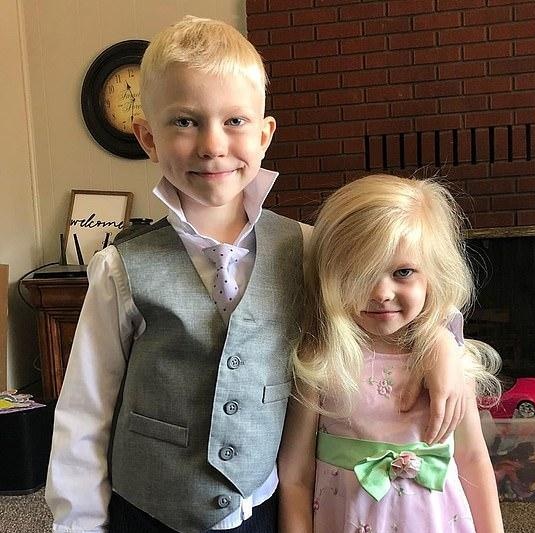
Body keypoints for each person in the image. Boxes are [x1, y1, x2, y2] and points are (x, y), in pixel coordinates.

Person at [44, 17, 468, 533]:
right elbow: (85, 411)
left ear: (264, 135)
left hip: (260, 509)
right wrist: (79, 524)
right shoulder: (119, 267)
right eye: (185, 121)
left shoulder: (306, 247)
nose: (212, 144)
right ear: (148, 138)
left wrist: (442, 345)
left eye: (235, 121)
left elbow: (400, 298)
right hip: (151, 512)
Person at [278, 174, 504, 533]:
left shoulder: (452, 362)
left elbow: (473, 458)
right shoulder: (321, 360)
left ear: (433, 274)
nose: (381, 293)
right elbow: (295, 476)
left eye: (403, 272)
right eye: (359, 273)